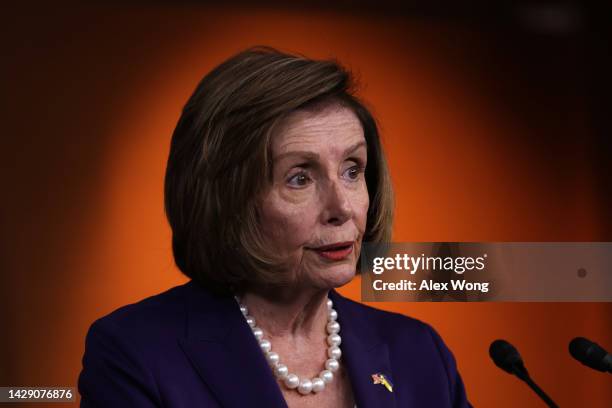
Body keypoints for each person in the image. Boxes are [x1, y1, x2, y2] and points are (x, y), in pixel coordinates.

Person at [78, 46, 472, 408]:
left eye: (353, 170)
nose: (343, 207)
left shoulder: (418, 353)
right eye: (300, 178)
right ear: (227, 199)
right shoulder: (137, 353)